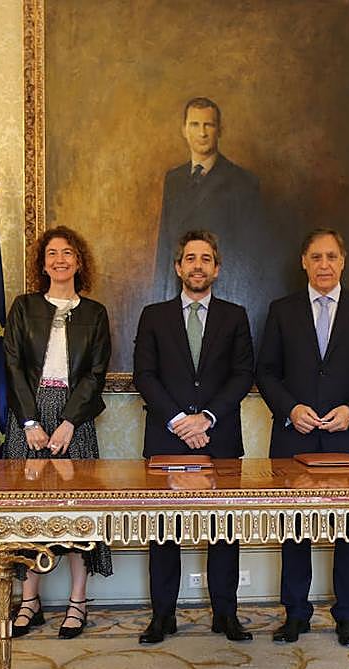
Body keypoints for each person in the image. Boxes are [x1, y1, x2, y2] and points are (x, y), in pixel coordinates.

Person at [256, 228, 349, 647]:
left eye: (331, 257)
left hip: (348, 440)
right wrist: (290, 409)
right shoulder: (281, 311)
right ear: (304, 262)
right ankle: (295, 614)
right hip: (294, 438)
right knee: (294, 530)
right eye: (316, 257)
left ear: (343, 262)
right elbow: (266, 372)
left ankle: (348, 616)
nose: (324, 265)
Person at [132, 229, 255, 644]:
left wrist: (206, 418)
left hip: (219, 437)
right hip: (166, 438)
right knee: (164, 531)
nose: (197, 265)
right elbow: (145, 375)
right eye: (190, 258)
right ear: (178, 267)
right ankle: (162, 616)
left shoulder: (235, 316)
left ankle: (226, 614)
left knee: (224, 530)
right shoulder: (154, 315)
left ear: (216, 269)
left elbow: (242, 374)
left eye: (205, 259)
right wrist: (178, 421)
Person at [3, 225, 113, 639]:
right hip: (28, 416)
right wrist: (31, 421)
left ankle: (77, 600)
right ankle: (29, 601)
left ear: (79, 262)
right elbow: (13, 365)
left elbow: (96, 373)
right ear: (43, 263)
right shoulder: (24, 306)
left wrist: (69, 421)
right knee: (30, 509)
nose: (60, 259)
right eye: (52, 253)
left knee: (76, 510)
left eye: (68, 252)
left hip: (75, 418)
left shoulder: (94, 313)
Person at [153, 97, 276, 342]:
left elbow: (250, 255)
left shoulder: (243, 182)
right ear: (184, 130)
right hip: (180, 295)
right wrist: (160, 295)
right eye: (195, 124)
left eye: (208, 125)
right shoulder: (174, 179)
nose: (202, 133)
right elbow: (165, 245)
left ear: (220, 130)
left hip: (223, 298)